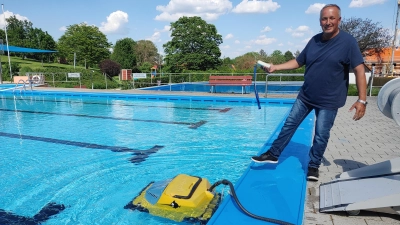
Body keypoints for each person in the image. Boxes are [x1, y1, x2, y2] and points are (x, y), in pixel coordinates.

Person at [251, 4, 367, 181]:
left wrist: (362, 100)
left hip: (329, 101)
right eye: (324, 18)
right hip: (306, 96)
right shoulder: (314, 40)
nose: (327, 22)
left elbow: (359, 70)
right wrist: (276, 67)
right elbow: (298, 61)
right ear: (320, 20)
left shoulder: (348, 42)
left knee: (321, 134)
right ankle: (273, 154)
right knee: (289, 125)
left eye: (331, 18)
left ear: (339, 20)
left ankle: (313, 166)